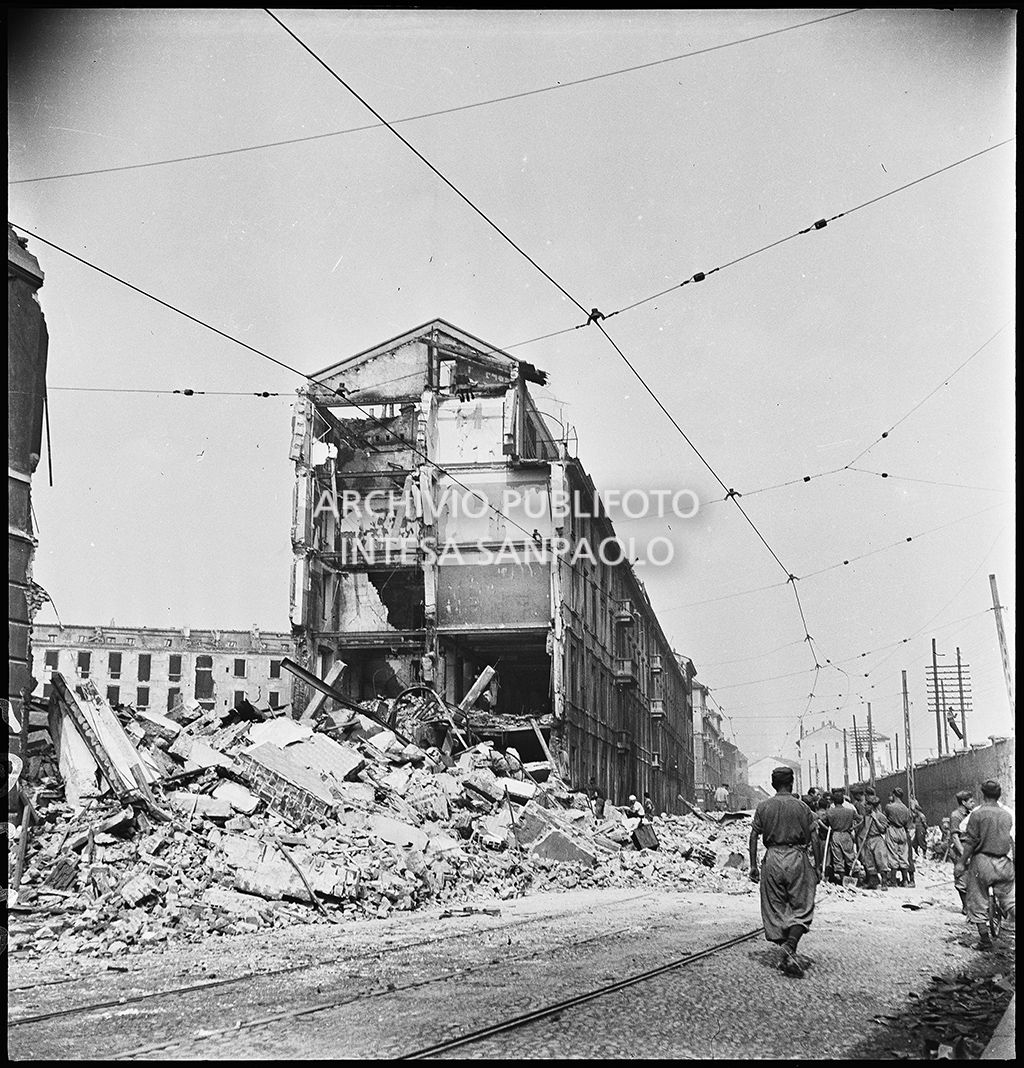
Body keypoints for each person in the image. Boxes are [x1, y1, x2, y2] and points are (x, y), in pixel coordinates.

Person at [748, 765, 817, 978]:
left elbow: (753, 836)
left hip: (772, 858)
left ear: (772, 784)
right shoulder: (802, 807)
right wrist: (818, 866)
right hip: (797, 856)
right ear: (792, 783)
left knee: (775, 907)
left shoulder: (763, 807)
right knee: (802, 906)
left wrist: (753, 865)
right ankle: (790, 947)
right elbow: (814, 838)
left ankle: (788, 950)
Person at [957, 779, 1015, 950]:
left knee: (976, 900)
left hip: (982, 862)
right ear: (999, 794)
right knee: (1011, 901)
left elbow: (971, 842)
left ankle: (985, 940)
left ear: (982, 794)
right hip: (1004, 862)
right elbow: (1012, 841)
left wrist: (961, 863)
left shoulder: (977, 814)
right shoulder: (1007, 814)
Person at [822, 786, 860, 883]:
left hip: (836, 835)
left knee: (838, 858)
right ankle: (856, 878)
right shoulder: (850, 811)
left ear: (834, 802)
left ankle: (843, 879)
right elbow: (861, 819)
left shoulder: (830, 812)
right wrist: (853, 827)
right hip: (847, 835)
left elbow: (821, 821)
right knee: (850, 856)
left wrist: (827, 828)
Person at [949, 789, 975, 913]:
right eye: (971, 801)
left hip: (969, 848)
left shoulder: (970, 814)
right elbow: (955, 837)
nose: (973, 803)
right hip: (960, 849)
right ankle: (965, 906)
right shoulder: (956, 816)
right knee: (962, 878)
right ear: (963, 802)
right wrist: (964, 854)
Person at [883, 788, 915, 888]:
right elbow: (908, 823)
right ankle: (905, 880)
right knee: (903, 855)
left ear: (894, 795)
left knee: (892, 854)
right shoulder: (906, 808)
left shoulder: (889, 807)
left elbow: (885, 818)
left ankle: (893, 881)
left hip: (892, 830)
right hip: (902, 831)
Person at [860, 795, 891, 890]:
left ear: (872, 806)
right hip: (868, 840)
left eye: (868, 804)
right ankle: (873, 882)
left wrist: (875, 819)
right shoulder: (866, 816)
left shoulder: (881, 816)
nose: (865, 806)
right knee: (869, 862)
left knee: (881, 861)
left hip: (877, 840)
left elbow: (883, 830)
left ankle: (884, 882)